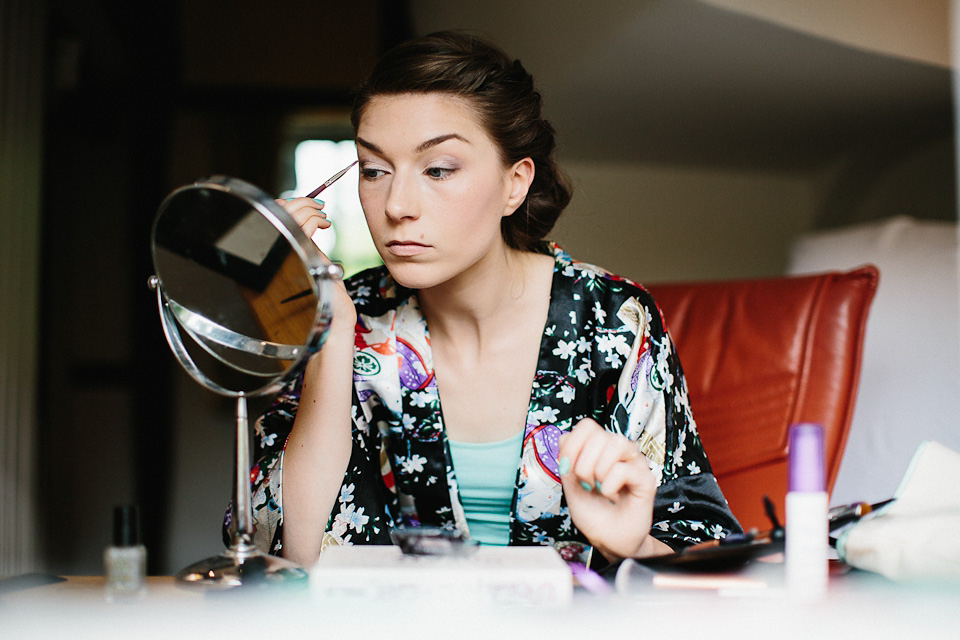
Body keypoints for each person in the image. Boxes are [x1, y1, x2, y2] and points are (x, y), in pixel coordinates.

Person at [232, 30, 741, 568]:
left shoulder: (614, 319)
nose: (397, 205)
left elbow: (704, 553)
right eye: (375, 170)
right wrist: (331, 334)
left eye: (438, 169)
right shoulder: (351, 316)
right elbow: (292, 557)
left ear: (515, 183)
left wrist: (631, 543)